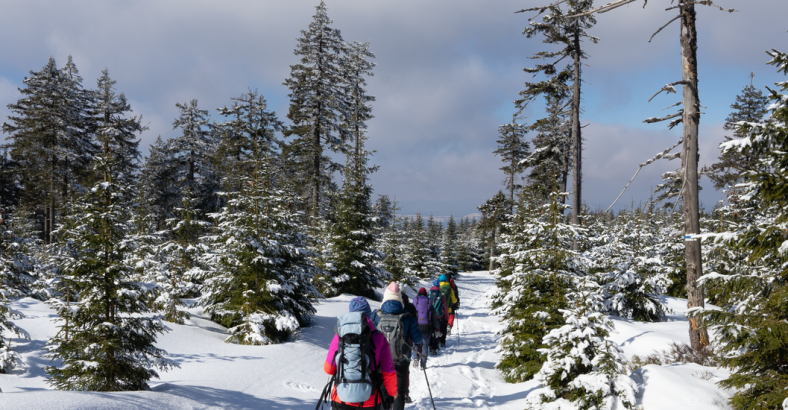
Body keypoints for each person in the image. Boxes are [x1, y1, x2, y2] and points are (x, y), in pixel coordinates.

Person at [323, 296, 397, 409]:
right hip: (369, 399)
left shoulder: (340, 336)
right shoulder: (379, 337)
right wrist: (393, 393)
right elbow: (388, 371)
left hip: (341, 397)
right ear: (368, 315)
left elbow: (328, 369)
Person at [374, 282, 423, 410]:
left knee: (383, 389)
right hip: (401, 359)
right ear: (400, 298)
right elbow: (418, 338)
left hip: (381, 361)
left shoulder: (377, 316)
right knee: (399, 391)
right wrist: (419, 345)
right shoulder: (407, 317)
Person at [412, 287, 441, 368]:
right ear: (426, 294)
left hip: (416, 327)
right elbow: (434, 318)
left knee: (415, 344)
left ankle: (415, 358)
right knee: (425, 346)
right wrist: (437, 328)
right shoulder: (429, 302)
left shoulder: (415, 302)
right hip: (427, 327)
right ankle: (423, 364)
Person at [429, 279, 449, 351]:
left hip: (430, 315)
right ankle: (442, 342)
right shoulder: (441, 295)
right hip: (439, 315)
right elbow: (445, 307)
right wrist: (447, 317)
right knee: (441, 329)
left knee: (431, 330)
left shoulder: (429, 293)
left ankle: (431, 345)